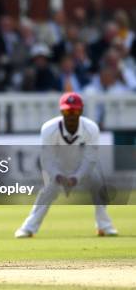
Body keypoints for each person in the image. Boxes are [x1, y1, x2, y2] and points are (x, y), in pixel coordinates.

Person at [14, 92, 118, 238]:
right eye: (67, 111)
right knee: (47, 192)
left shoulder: (91, 128)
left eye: (74, 111)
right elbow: (47, 159)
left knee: (98, 183)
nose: (71, 115)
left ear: (81, 111)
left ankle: (104, 226)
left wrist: (76, 177)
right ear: (61, 111)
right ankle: (28, 228)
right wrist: (57, 175)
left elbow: (90, 159)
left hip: (82, 168)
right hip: (57, 168)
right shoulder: (49, 128)